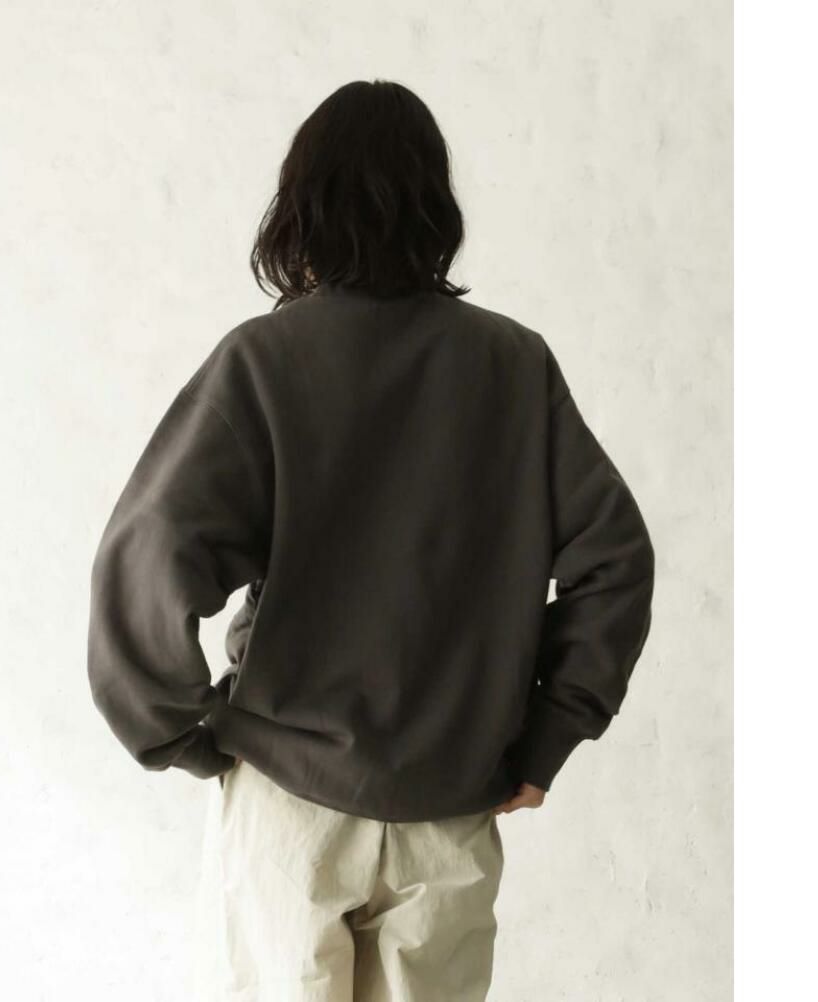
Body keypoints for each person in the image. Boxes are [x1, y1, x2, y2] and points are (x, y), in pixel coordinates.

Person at [87, 79, 655, 1001]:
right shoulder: (515, 366)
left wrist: (176, 730)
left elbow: (152, 550)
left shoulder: (264, 362)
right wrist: (547, 735)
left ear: (300, 204)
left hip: (287, 805)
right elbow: (615, 562)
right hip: (450, 809)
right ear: (436, 206)